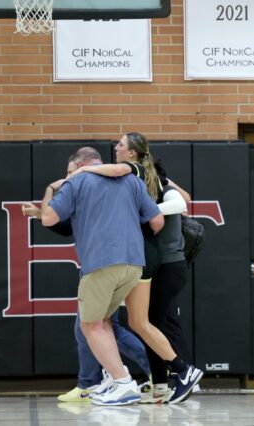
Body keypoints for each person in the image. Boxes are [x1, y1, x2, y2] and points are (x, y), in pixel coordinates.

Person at [72, 132, 202, 404]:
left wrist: (82, 173)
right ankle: (162, 382)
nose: (115, 148)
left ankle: (177, 373)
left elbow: (180, 201)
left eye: (120, 144)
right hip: (151, 258)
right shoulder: (149, 174)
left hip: (154, 258)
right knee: (143, 322)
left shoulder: (132, 171)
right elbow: (184, 198)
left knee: (140, 322)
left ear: (132, 153)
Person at [21, 155, 151, 403]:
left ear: (80, 166)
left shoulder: (77, 182)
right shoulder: (131, 181)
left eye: (69, 170)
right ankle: (111, 380)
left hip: (101, 263)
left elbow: (50, 217)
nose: (66, 176)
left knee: (91, 326)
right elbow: (155, 218)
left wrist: (51, 189)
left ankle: (123, 382)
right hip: (134, 263)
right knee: (101, 323)